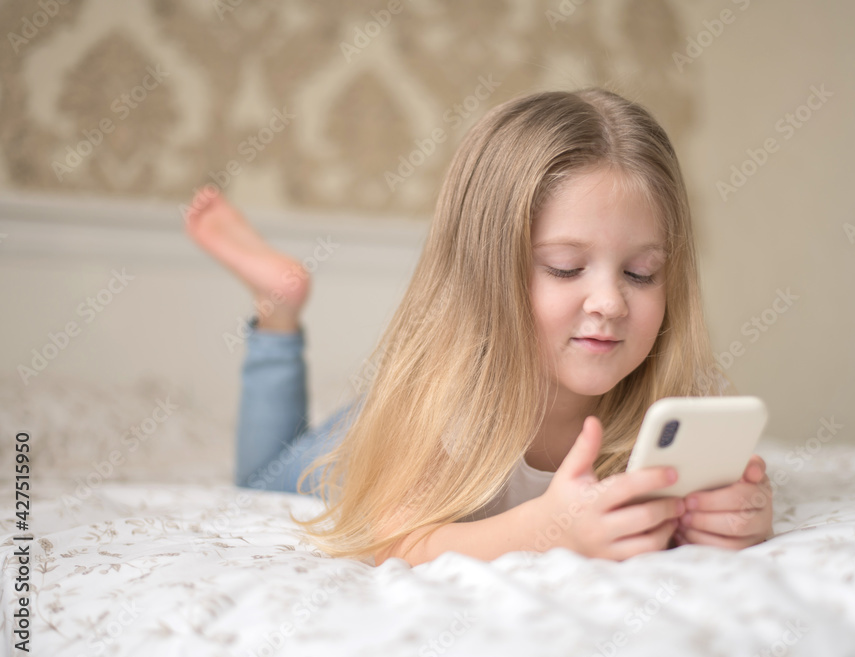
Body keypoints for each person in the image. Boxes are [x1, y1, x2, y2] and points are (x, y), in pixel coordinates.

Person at [184, 87, 774, 567]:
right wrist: (544, 531)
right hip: (363, 436)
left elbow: (696, 508)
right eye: (566, 268)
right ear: (485, 274)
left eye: (641, 273)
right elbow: (394, 541)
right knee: (262, 476)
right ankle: (277, 312)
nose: (610, 302)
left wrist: (730, 512)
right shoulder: (446, 407)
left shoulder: (665, 410)